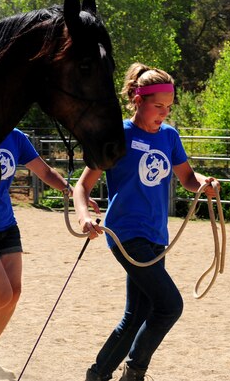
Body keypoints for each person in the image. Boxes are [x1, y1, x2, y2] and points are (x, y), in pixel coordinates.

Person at [74, 63, 221, 381]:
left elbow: (187, 178)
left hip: (156, 236)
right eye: (158, 106)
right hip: (126, 233)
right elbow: (82, 186)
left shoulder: (170, 137)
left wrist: (205, 185)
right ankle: (135, 372)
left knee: (137, 314)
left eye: (168, 107)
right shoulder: (118, 136)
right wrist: (85, 217)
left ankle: (98, 374)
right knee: (169, 306)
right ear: (138, 100)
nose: (164, 113)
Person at [0, 128, 100, 373]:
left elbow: (45, 171)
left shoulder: (16, 137)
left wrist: (70, 192)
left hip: (7, 225)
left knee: (14, 293)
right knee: (1, 296)